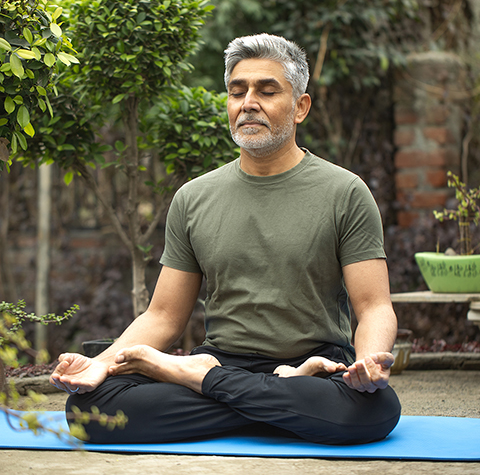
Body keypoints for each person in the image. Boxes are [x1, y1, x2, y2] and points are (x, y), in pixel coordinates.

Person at [50, 33, 401, 445]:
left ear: (300, 107)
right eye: (237, 92)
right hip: (228, 361)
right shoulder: (194, 197)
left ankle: (205, 381)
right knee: (90, 409)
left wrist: (368, 365)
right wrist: (102, 364)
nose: (248, 102)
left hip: (315, 365)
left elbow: (374, 306)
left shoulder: (345, 192)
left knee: (375, 410)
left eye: (267, 91)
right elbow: (163, 315)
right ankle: (270, 406)